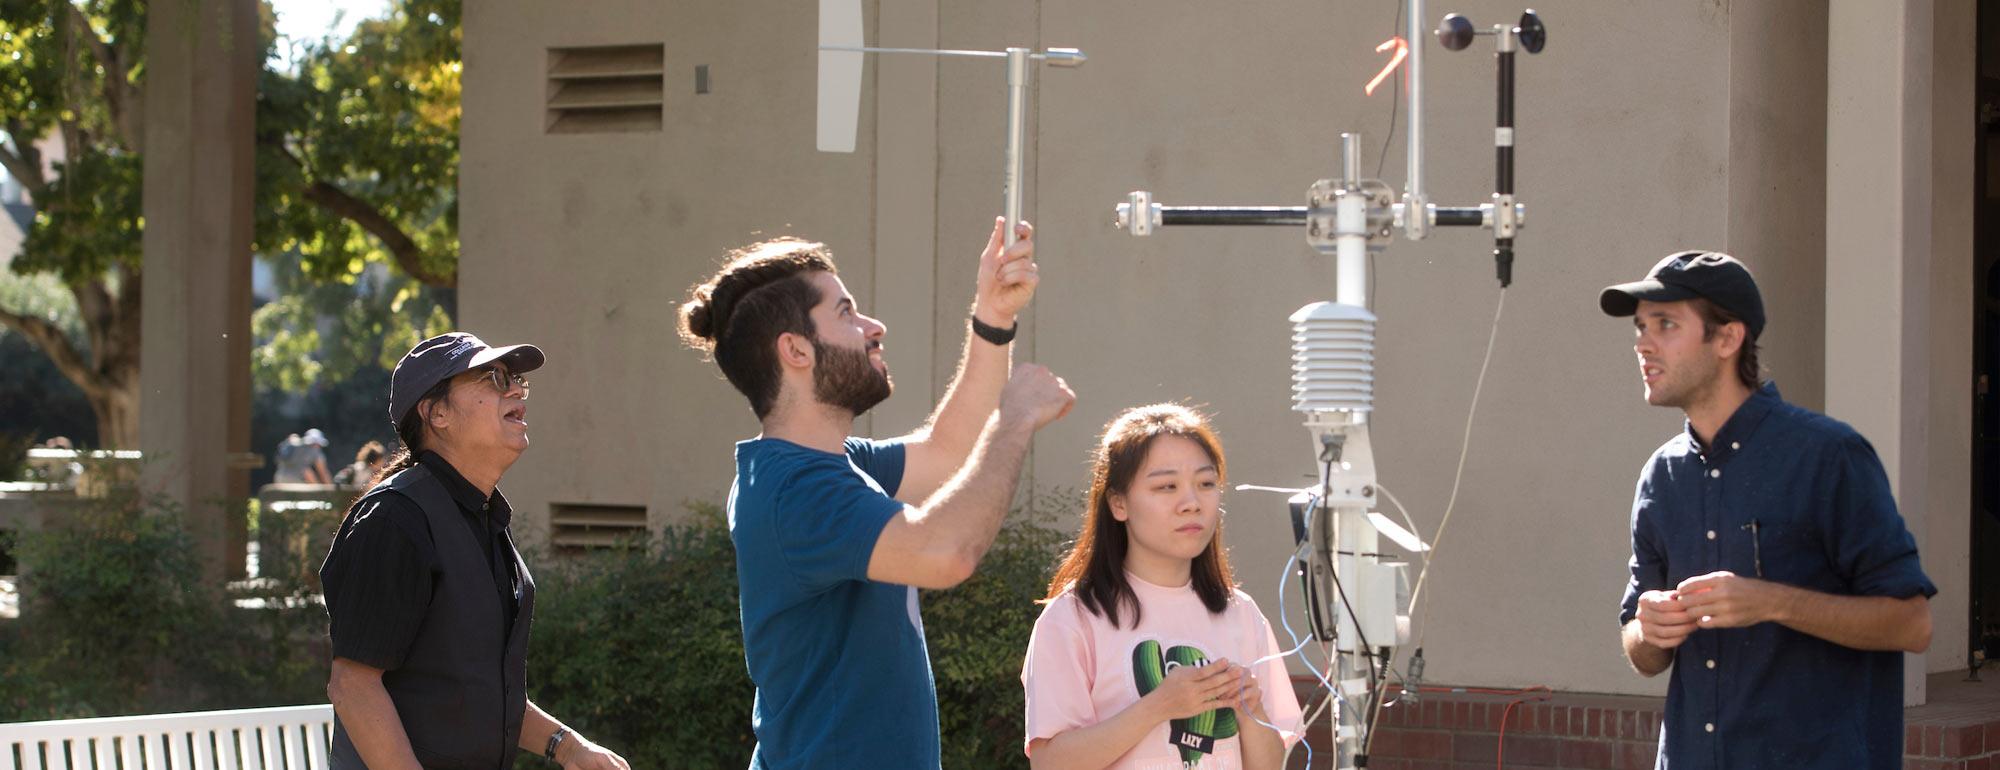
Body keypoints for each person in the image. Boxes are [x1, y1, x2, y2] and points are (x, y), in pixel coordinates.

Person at [677, 216, 1075, 768]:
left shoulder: (830, 466)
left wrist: (994, 316)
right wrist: (1015, 422)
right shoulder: (797, 491)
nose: (873, 325)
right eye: (845, 312)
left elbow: (945, 453)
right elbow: (945, 553)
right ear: (796, 351)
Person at [1602, 251, 1935, 769]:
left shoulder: (1829, 456)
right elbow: (1642, 652)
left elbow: (1912, 625)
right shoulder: (1661, 477)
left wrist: (1772, 602)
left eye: (1665, 324)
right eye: (1640, 327)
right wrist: (1648, 630)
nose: (1643, 343)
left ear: (1728, 339)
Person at [318, 332, 630, 770]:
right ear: (437, 413)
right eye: (493, 378)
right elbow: (353, 686)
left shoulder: (481, 518)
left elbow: (479, 696)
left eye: (516, 379)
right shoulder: (395, 519)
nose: (517, 389)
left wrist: (568, 746)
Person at [1021, 404, 1301, 770]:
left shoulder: (1242, 613)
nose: (1191, 504)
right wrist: (1159, 705)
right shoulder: (1073, 617)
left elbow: (1270, 765)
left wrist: (1251, 710)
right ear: (1118, 503)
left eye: (1206, 484)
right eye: (1166, 487)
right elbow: (1050, 763)